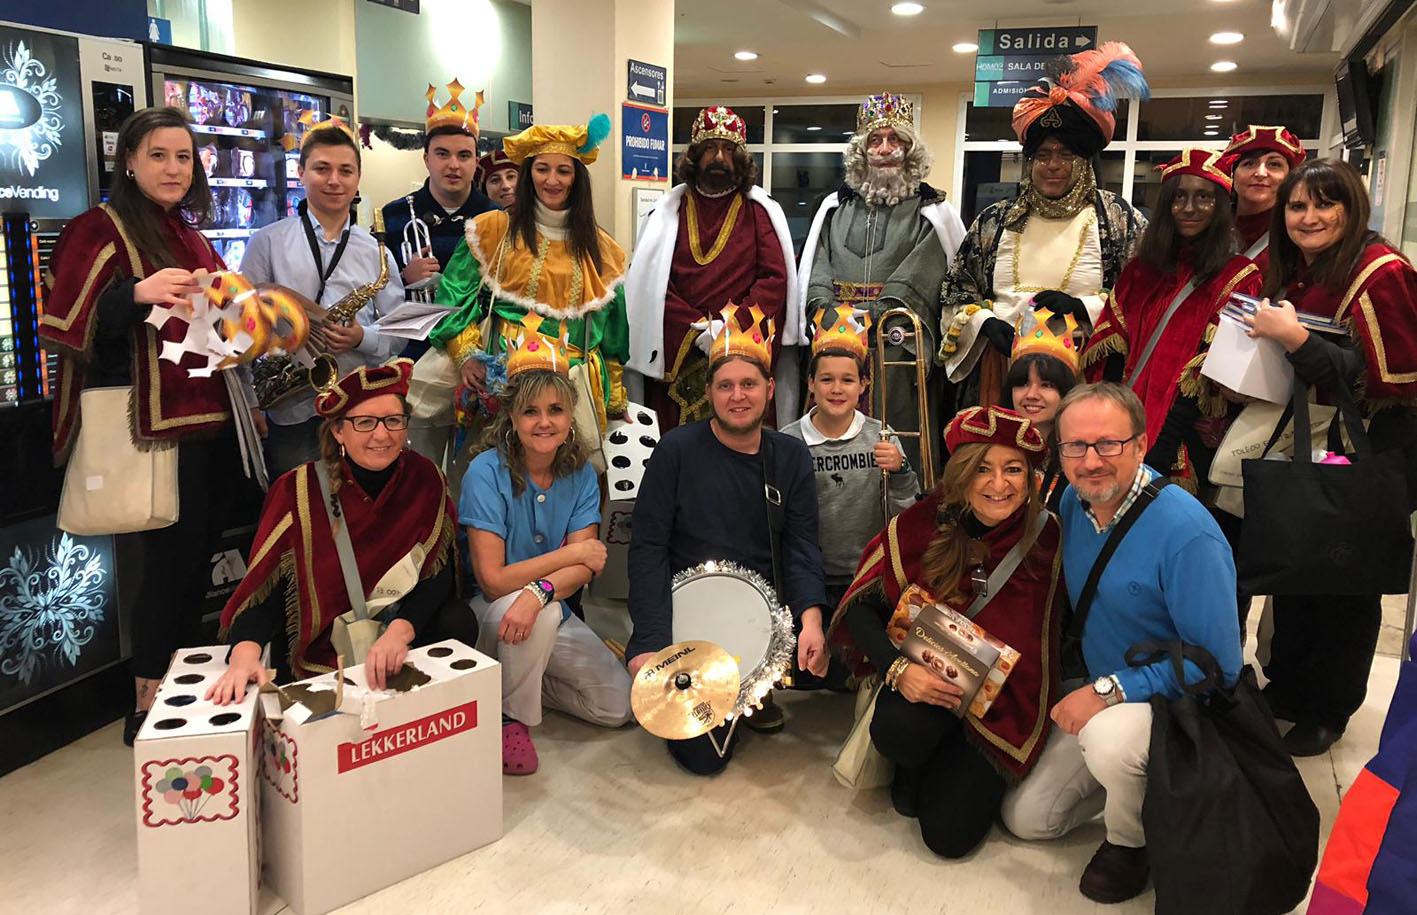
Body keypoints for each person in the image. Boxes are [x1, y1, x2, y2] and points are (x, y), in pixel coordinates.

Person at [39, 106, 251, 744]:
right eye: (158, 155)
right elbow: (62, 324)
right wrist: (135, 293)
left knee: (195, 566)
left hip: (211, 426)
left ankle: (186, 697)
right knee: (161, 573)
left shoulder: (188, 234)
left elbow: (218, 331)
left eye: (183, 157)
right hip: (148, 432)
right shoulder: (96, 228)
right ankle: (146, 706)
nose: (173, 168)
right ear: (128, 161)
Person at [999, 382, 1242, 905]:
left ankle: (1132, 841)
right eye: (1075, 447)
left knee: (1110, 741)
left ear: (1140, 443)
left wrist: (1108, 691)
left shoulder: (1187, 534)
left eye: (1109, 444)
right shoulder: (1072, 499)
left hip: (1175, 705)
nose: (1091, 462)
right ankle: (1141, 789)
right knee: (1030, 820)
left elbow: (1218, 664)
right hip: (1102, 686)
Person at [1235, 158, 1417, 756]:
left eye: (1324, 204)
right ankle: (1288, 686)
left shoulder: (1381, 272)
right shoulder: (1299, 269)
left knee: (1345, 581)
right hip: (1311, 437)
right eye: (1296, 206)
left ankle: (1329, 707)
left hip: (1371, 448)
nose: (1308, 217)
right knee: (1298, 566)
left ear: (1352, 207)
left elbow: (1385, 380)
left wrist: (1296, 340)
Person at [829, 405, 1063, 858]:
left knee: (948, 838)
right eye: (983, 470)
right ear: (961, 474)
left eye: (1013, 469)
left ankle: (952, 761)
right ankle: (915, 761)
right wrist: (898, 671)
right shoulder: (922, 523)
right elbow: (862, 610)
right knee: (900, 733)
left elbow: (1050, 635)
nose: (999, 485)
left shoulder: (1047, 537)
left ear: (1031, 476)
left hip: (1000, 706)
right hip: (923, 685)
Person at [626, 304, 829, 773]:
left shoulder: (791, 457)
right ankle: (733, 702)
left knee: (835, 668)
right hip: (687, 619)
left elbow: (802, 547)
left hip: (762, 621)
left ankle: (760, 685)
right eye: (725, 385)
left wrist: (811, 621)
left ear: (770, 389)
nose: (738, 396)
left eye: (749, 384)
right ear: (710, 391)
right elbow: (648, 548)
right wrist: (649, 643)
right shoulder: (676, 450)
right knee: (705, 760)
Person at [209, 359, 477, 701]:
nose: (382, 435)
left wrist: (400, 631)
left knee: (459, 620)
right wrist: (244, 656)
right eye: (364, 423)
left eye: (393, 421)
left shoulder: (426, 478)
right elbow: (266, 589)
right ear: (338, 431)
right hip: (322, 652)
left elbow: (435, 577)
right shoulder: (297, 489)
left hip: (398, 639)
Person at [460, 317, 633, 775]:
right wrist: (568, 558)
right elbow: (493, 581)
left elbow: (586, 566)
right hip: (487, 612)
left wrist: (541, 589)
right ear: (512, 418)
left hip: (540, 610)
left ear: (569, 415)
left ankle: (515, 684)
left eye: (556, 410)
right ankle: (509, 719)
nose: (544, 422)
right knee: (541, 607)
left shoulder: (579, 473)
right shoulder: (485, 472)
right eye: (531, 411)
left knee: (615, 707)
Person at [941, 42, 1150, 411]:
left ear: (1084, 161)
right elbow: (956, 290)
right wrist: (985, 323)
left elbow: (1144, 295)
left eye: (1066, 154)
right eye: (1043, 155)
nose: (1053, 165)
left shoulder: (1117, 218)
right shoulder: (995, 220)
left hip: (1086, 372)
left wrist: (1083, 307)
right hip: (1002, 371)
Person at [410, 116, 628, 470]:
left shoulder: (602, 250)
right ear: (529, 174)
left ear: (578, 179)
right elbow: (451, 300)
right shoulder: (492, 230)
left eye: (564, 171)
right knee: (496, 482)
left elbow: (614, 334)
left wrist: (616, 402)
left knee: (568, 486)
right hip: (503, 381)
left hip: (574, 387)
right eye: (542, 169)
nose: (552, 180)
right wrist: (466, 354)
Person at [797, 93, 965, 476]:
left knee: (896, 439)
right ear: (861, 151)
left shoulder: (932, 211)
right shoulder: (834, 208)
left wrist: (879, 314)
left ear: (909, 150)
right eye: (875, 140)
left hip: (897, 346)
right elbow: (817, 263)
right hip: (835, 338)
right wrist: (824, 308)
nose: (885, 149)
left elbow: (928, 267)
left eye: (895, 140)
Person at [1081, 149, 1260, 486]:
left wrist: (1159, 445)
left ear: (1220, 205)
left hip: (1184, 439)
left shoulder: (1238, 276)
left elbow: (1212, 373)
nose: (1190, 208)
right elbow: (1110, 352)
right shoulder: (1140, 270)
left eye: (1203, 197)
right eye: (1179, 196)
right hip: (1119, 427)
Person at [242, 117, 405, 477]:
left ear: (358, 178)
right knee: (298, 511)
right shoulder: (267, 243)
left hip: (359, 407)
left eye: (345, 170)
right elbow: (241, 330)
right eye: (321, 169)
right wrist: (251, 404)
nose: (334, 180)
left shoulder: (377, 252)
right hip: (291, 406)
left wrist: (363, 337)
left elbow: (400, 330)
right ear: (300, 172)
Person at [624, 105, 795, 430]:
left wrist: (730, 326)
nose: (719, 158)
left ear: (741, 158)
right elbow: (653, 285)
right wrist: (695, 328)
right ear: (694, 155)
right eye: (709, 149)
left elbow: (774, 279)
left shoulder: (759, 212)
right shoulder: (666, 212)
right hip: (678, 353)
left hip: (742, 347)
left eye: (728, 150)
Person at [781, 306, 917, 611]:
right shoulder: (788, 441)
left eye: (848, 380)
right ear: (811, 384)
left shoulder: (881, 436)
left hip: (869, 573)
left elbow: (903, 511)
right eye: (827, 380)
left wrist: (901, 470)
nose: (837, 389)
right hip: (808, 578)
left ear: (863, 386)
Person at [380, 81, 497, 321]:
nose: (453, 165)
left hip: (477, 344)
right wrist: (404, 279)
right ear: (426, 159)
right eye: (442, 154)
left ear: (476, 161)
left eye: (464, 155)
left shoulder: (495, 218)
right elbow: (375, 296)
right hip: (413, 349)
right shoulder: (393, 216)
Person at [1003, 307, 1082, 512]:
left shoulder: (1080, 459)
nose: (1031, 394)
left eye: (1046, 385)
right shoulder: (991, 450)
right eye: (1022, 383)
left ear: (1066, 393)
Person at [1219, 125, 1306, 271]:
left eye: (1274, 164)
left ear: (1289, 176)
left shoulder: (1300, 231)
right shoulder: (1211, 224)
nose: (1260, 173)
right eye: (1249, 164)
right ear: (1232, 174)